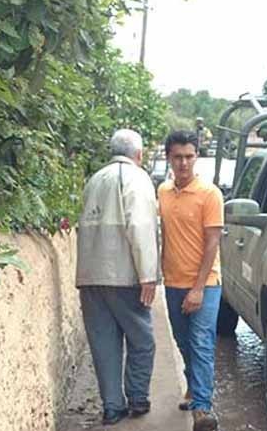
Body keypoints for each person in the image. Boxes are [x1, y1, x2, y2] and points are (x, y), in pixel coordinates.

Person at [75, 129, 159, 426]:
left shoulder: (94, 179)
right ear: (139, 154)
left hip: (89, 275)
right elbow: (141, 227)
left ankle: (112, 407)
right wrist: (148, 275)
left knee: (103, 342)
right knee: (142, 340)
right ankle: (137, 398)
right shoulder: (136, 178)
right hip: (123, 275)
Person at [158, 130, 224, 431]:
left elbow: (212, 243)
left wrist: (198, 288)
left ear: (196, 157)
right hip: (172, 281)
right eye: (177, 157)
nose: (183, 163)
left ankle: (202, 408)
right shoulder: (162, 192)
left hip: (205, 283)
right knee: (183, 341)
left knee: (201, 342)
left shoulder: (210, 194)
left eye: (189, 156)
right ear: (168, 158)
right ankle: (193, 383)